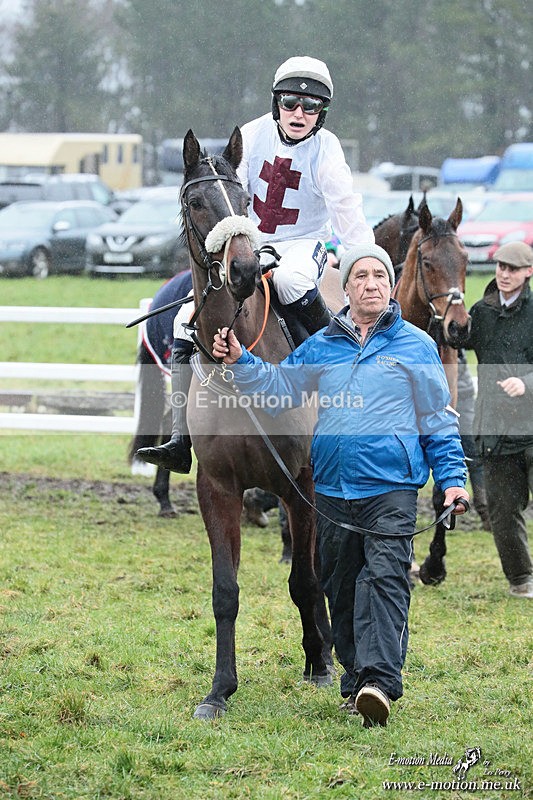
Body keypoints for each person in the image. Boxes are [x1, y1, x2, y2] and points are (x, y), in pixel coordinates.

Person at [212, 243, 469, 727]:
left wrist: (452, 481)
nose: (370, 284)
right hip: (331, 492)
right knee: (342, 587)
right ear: (347, 288)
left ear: (389, 286)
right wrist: (242, 361)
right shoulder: (324, 345)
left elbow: (438, 419)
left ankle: (379, 681)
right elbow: (280, 387)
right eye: (361, 277)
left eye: (379, 276)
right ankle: (356, 682)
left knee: (385, 580)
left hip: (391, 488)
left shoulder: (415, 345)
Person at [137, 55, 374, 474]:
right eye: (290, 103)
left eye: (311, 106)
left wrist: (367, 261)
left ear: (322, 113)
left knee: (292, 281)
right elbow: (227, 194)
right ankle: (179, 438)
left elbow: (346, 208)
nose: (299, 113)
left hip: (304, 243)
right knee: (182, 320)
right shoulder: (251, 134)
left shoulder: (328, 149)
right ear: (275, 103)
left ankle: (333, 388)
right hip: (252, 239)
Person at [461, 241, 533, 599]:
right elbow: (457, 339)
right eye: (500, 267)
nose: (504, 274)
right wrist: (451, 318)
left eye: (513, 268)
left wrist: (527, 382)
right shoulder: (482, 312)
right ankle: (521, 580)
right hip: (495, 431)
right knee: (502, 513)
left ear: (527, 272)